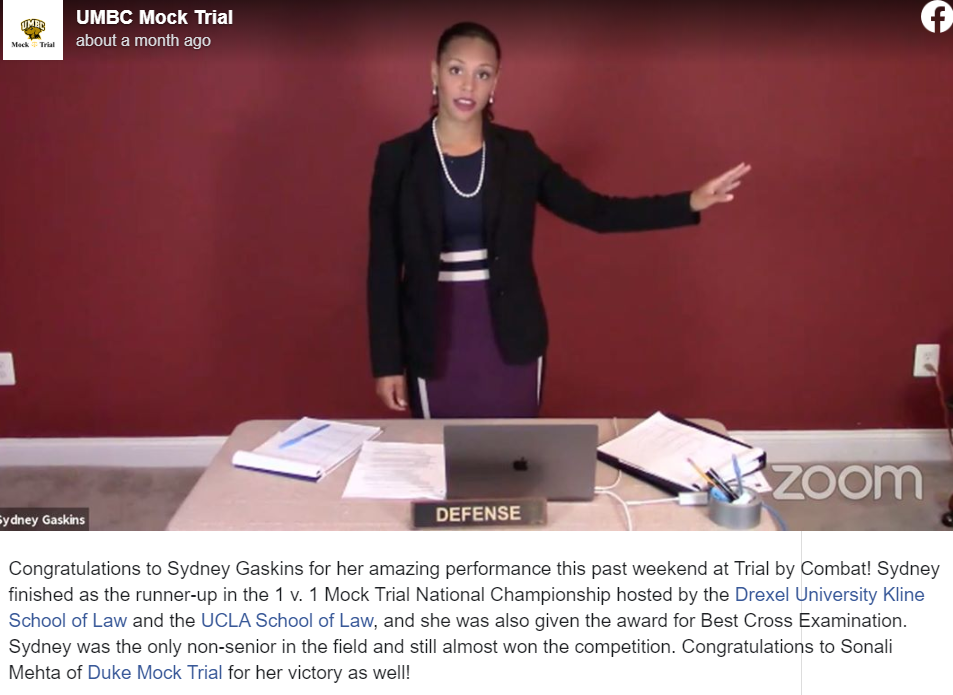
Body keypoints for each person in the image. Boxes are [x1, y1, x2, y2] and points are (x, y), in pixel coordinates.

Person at [367, 21, 750, 419]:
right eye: (456, 70)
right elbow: (382, 269)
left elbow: (596, 211)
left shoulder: (519, 152)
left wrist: (689, 201)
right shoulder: (398, 158)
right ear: (435, 73)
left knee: (513, 463)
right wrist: (387, 363)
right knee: (442, 463)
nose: (468, 86)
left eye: (482, 74)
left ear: (496, 80)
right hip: (434, 337)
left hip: (512, 336)